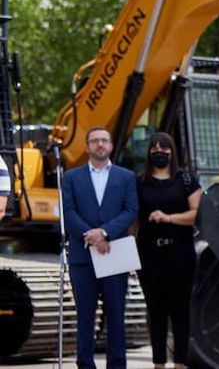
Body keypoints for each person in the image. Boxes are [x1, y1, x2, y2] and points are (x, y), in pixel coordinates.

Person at [62, 125, 139, 369]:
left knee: (116, 316)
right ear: (87, 147)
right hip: (82, 258)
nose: (100, 144)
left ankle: (117, 365)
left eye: (104, 140)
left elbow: (131, 210)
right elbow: (68, 211)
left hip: (114, 255)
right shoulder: (70, 177)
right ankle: (85, 364)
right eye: (94, 141)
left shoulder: (126, 177)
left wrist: (104, 232)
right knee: (85, 316)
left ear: (111, 145)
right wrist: (92, 236)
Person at [135, 132, 201, 369]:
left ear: (173, 152)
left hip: (180, 253)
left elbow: (196, 214)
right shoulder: (139, 182)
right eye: (154, 147)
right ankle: (159, 363)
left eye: (165, 148)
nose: (159, 151)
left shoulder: (185, 180)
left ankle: (180, 363)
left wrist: (168, 218)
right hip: (149, 254)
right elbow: (133, 220)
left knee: (180, 310)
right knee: (156, 310)